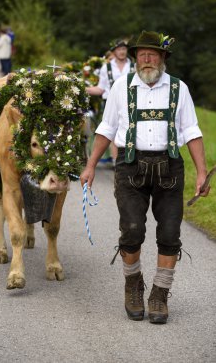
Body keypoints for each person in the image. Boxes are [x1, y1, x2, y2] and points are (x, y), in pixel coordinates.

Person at [80, 30, 210, 324]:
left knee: (169, 235)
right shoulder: (121, 88)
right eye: (142, 54)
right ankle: (133, 286)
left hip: (170, 168)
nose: (146, 59)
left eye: (152, 54)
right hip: (130, 165)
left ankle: (159, 295)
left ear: (163, 57)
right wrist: (90, 166)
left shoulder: (179, 88)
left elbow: (192, 131)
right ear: (136, 58)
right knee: (132, 229)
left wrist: (201, 171)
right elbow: (107, 128)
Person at [86, 39, 135, 164]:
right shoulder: (106, 68)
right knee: (113, 130)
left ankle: (129, 158)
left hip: (131, 102)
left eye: (124, 49)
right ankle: (116, 160)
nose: (122, 52)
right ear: (114, 51)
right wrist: (83, 89)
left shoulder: (133, 66)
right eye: (119, 49)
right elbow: (101, 89)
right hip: (110, 102)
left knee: (130, 130)